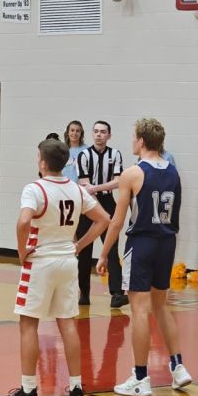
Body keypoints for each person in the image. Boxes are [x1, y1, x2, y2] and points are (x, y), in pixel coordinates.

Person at [0, 137, 110, 396]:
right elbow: (104, 219)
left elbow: (24, 221)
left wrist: (22, 251)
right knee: (67, 323)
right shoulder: (76, 189)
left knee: (28, 324)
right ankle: (76, 388)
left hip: (41, 262)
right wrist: (79, 246)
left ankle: (28, 390)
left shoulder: (34, 189)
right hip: (67, 262)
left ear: (43, 163)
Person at [97, 117, 192, 396]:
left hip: (142, 243)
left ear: (141, 141)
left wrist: (104, 253)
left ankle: (140, 377)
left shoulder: (132, 173)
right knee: (161, 307)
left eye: (133, 137)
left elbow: (117, 221)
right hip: (167, 242)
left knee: (139, 310)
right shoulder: (173, 172)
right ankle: (178, 367)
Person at [77, 120, 127, 308]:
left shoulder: (115, 154)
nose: (99, 134)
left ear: (109, 135)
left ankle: (117, 293)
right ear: (92, 134)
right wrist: (97, 206)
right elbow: (84, 184)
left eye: (103, 132)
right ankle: (84, 293)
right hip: (87, 204)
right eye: (96, 131)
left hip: (107, 201)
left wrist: (96, 188)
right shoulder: (84, 155)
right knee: (84, 249)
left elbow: (118, 181)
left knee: (111, 248)